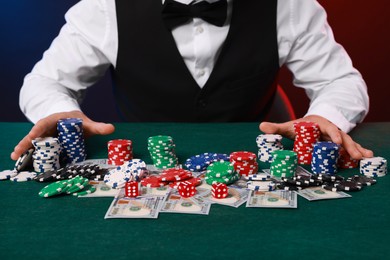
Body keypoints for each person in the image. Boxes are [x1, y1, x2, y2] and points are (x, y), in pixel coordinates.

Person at [11, 0, 373, 161]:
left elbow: (341, 82)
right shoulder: (105, 7)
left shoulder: (288, 4)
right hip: (145, 163)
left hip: (258, 163)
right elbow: (44, 83)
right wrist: (62, 113)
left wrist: (323, 116)